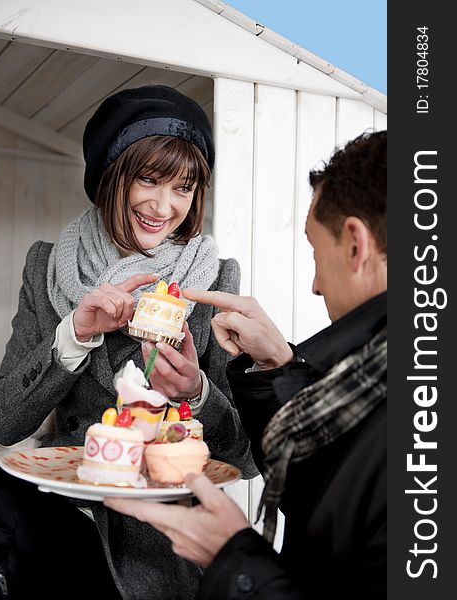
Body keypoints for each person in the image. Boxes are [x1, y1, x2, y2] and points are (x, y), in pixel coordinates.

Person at [0, 85, 257, 600]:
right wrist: (75, 334)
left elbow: (240, 458)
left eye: (184, 187)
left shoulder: (214, 277)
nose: (164, 206)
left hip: (156, 543)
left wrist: (195, 391)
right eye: (148, 181)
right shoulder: (47, 266)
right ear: (110, 178)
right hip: (63, 515)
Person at [105, 130, 387, 599]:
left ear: (355, 244)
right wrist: (279, 367)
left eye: (317, 252)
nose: (316, 285)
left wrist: (234, 561)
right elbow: (335, 505)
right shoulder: (371, 376)